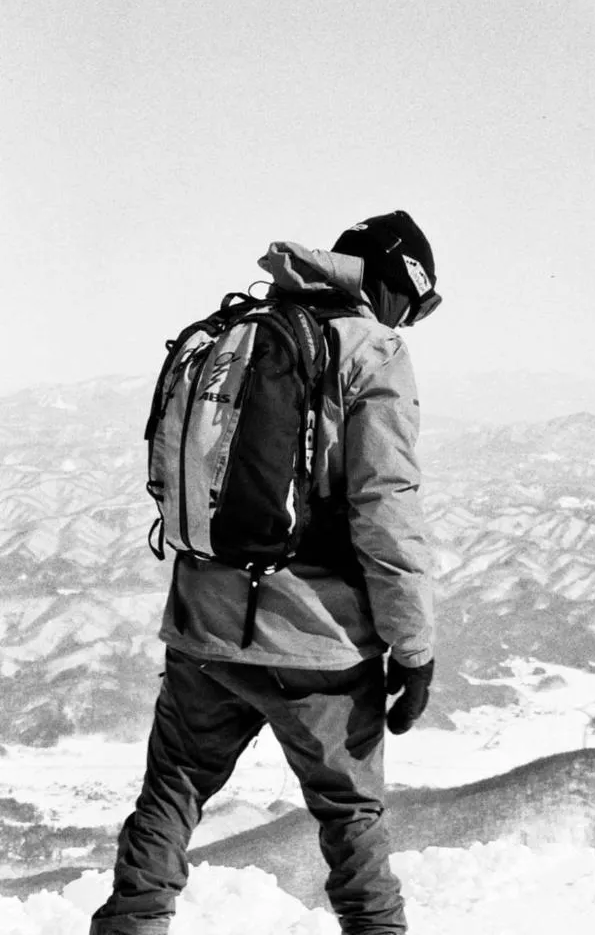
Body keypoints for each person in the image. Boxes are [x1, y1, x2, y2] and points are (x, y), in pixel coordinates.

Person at [90, 210, 440, 935]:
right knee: (351, 816)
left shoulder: (244, 332)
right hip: (317, 638)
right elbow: (386, 510)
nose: (411, 319)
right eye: (417, 304)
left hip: (204, 623)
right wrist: (414, 650)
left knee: (171, 793)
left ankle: (132, 925)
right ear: (394, 284)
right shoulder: (370, 350)